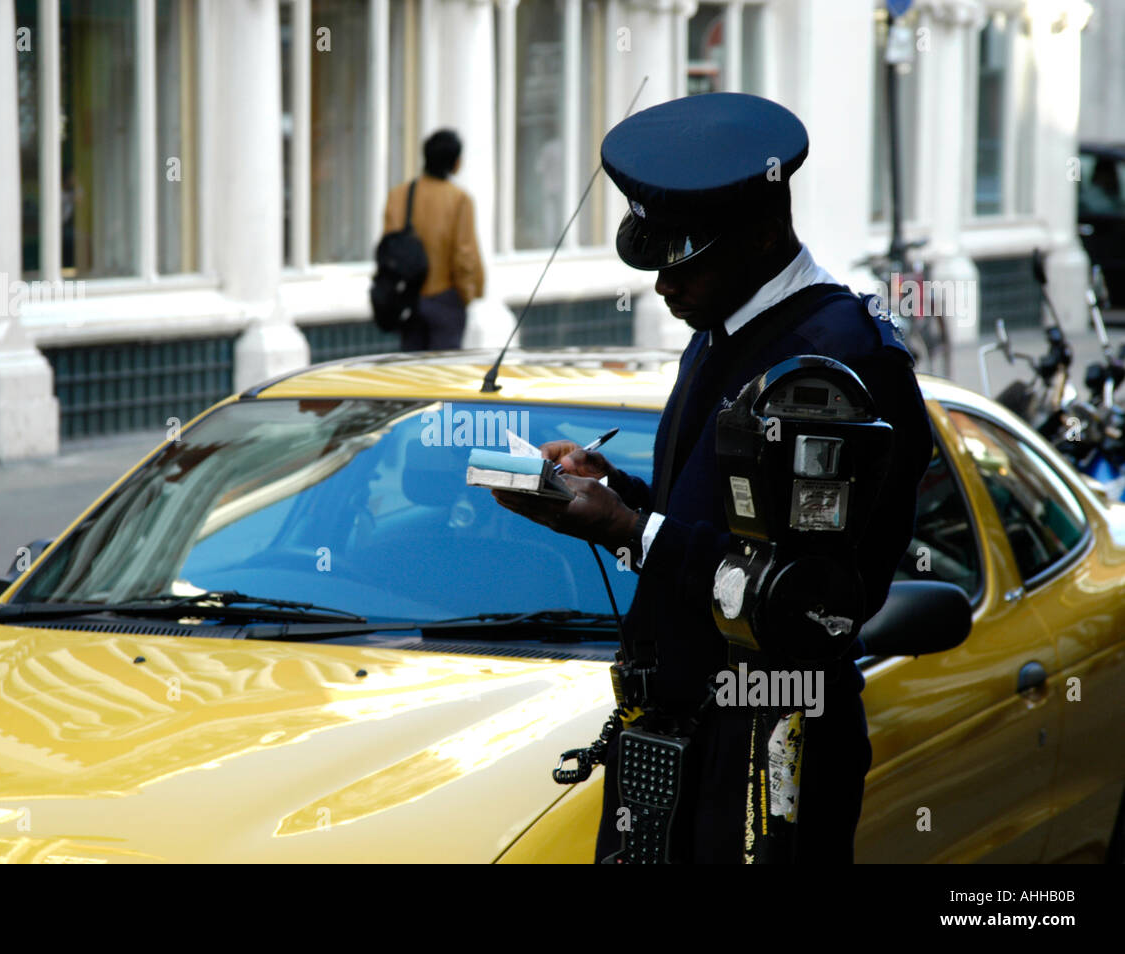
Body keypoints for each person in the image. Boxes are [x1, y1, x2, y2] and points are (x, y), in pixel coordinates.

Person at [491, 93, 933, 863]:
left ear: (764, 234)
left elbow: (812, 602)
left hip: (768, 747)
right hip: (680, 735)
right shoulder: (725, 322)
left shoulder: (831, 362)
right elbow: (735, 519)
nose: (664, 288)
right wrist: (615, 491)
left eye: (683, 262)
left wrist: (629, 530)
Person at [382, 129, 485, 351]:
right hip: (445, 297)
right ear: (456, 162)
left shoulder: (399, 194)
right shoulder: (459, 200)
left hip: (408, 298)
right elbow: (464, 255)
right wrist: (467, 294)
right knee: (444, 374)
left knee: (413, 374)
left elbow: (389, 247)